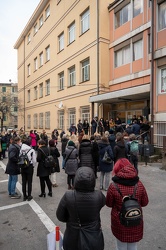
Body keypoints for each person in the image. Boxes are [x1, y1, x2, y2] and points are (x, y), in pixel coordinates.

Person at [56, 167, 106, 250]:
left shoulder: (68, 196)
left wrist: (72, 218)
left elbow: (60, 216)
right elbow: (103, 204)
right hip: (93, 237)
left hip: (72, 236)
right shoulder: (99, 196)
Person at [106, 158, 149, 250]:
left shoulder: (113, 186)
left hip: (119, 221)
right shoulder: (139, 184)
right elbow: (145, 203)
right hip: (135, 219)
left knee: (120, 246)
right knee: (133, 246)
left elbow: (109, 204)